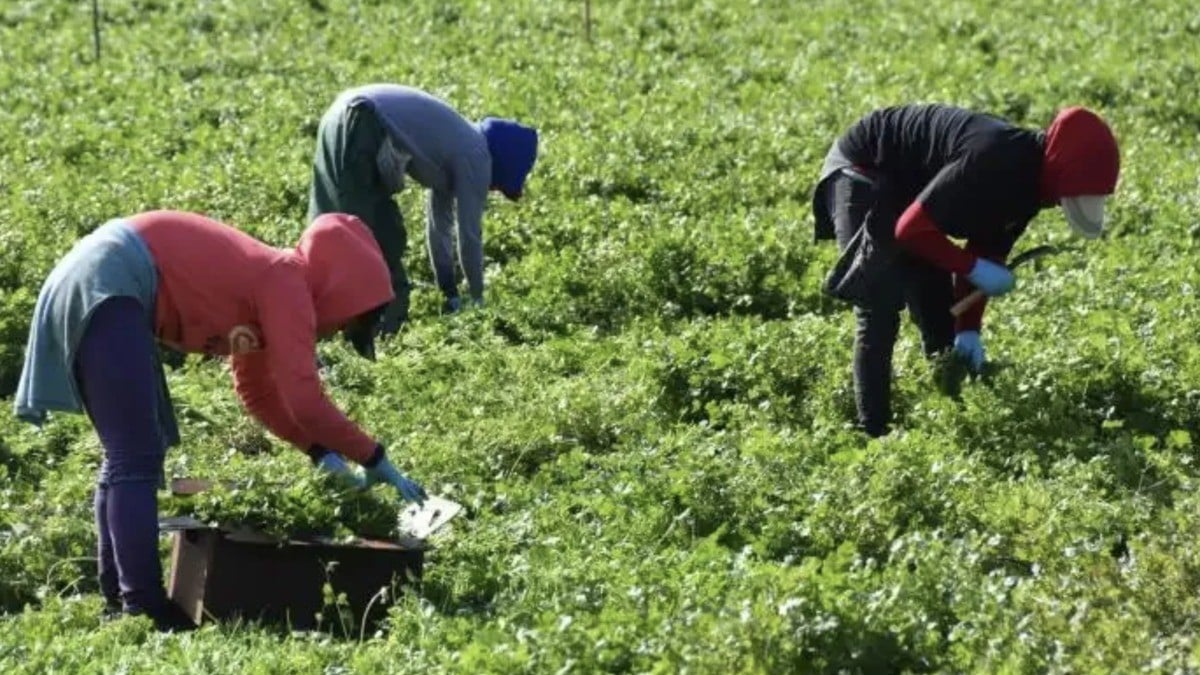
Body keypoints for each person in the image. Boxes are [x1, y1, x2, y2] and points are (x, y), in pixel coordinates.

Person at [13, 210, 428, 631]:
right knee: (134, 458)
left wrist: (319, 451)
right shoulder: (287, 282)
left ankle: (119, 599)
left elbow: (259, 393)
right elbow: (304, 399)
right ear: (342, 290)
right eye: (349, 321)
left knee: (128, 457)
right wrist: (372, 455)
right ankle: (142, 607)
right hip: (109, 280)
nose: (338, 331)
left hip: (96, 275)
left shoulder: (272, 285)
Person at [811, 104, 1120, 437]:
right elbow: (910, 231)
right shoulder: (992, 157)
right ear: (1062, 170)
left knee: (940, 314)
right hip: (863, 169)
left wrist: (968, 329)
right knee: (879, 305)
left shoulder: (1031, 189)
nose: (1061, 204)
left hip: (910, 193)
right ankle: (873, 434)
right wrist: (973, 268)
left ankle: (951, 420)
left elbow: (985, 250)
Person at [307, 83, 540, 331]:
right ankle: (378, 334)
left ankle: (321, 319)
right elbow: (469, 235)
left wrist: (448, 292)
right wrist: (477, 299)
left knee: (330, 228)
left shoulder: (457, 146)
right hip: (362, 121)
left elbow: (438, 229)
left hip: (340, 114)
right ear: (502, 166)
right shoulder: (477, 155)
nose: (491, 189)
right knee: (376, 240)